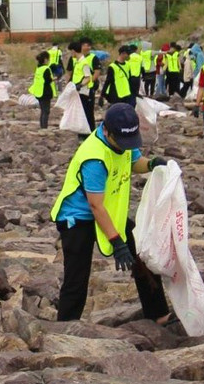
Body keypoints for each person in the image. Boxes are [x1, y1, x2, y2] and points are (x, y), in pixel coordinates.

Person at [50, 103, 172, 323]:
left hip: (109, 212)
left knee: (142, 255)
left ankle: (159, 314)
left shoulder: (123, 141)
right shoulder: (94, 157)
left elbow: (135, 162)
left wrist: (153, 163)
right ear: (106, 130)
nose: (127, 147)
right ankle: (65, 328)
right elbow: (95, 206)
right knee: (76, 278)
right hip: (77, 218)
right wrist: (117, 242)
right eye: (122, 142)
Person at [65, 38, 97, 134]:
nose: (71, 54)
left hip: (86, 92)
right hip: (80, 92)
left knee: (88, 114)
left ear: (74, 51)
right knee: (81, 114)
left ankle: (90, 133)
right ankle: (83, 133)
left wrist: (80, 85)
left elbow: (88, 77)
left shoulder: (84, 62)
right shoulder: (78, 62)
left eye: (71, 52)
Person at [30, 50, 56, 128]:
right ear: (45, 59)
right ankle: (44, 127)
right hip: (45, 92)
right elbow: (48, 80)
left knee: (43, 110)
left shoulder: (38, 68)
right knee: (46, 111)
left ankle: (42, 126)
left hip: (39, 92)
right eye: (48, 59)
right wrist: (54, 78)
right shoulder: (46, 69)